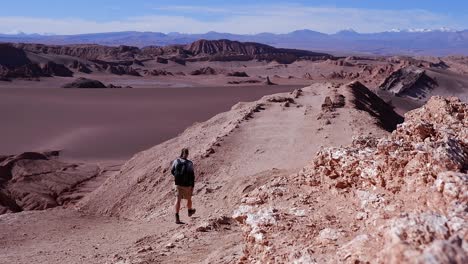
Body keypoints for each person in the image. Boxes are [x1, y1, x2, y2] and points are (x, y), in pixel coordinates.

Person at [171, 148, 196, 224]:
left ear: (181, 153)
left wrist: (177, 177)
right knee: (189, 199)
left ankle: (177, 217)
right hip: (187, 185)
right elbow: (192, 175)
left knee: (178, 200)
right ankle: (189, 211)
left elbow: (172, 171)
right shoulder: (190, 163)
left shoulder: (176, 161)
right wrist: (192, 186)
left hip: (178, 184)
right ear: (187, 154)